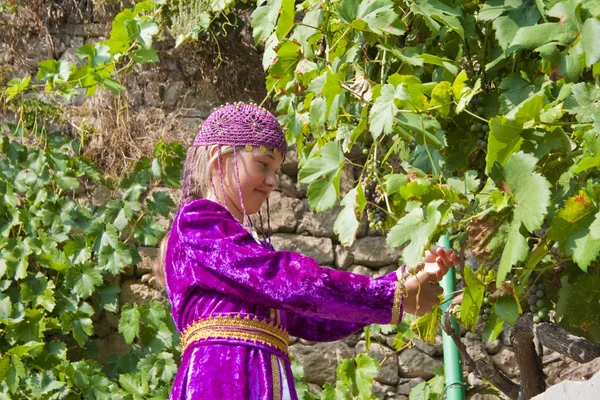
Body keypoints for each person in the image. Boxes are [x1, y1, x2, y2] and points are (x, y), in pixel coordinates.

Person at [155, 103, 458, 400]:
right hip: (220, 380)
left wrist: (402, 287)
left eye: (275, 169)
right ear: (217, 158)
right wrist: (391, 292)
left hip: (266, 377)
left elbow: (316, 320)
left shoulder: (242, 244)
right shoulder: (199, 222)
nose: (272, 181)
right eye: (263, 164)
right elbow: (293, 283)